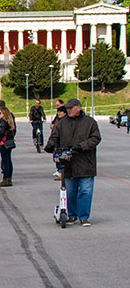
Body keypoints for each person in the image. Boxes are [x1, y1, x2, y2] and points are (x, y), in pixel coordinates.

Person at [44, 97, 101, 226]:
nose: (68, 110)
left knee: (86, 190)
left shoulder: (90, 122)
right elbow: (55, 137)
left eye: (70, 108)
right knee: (69, 191)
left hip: (86, 162)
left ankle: (84, 216)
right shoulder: (62, 123)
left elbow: (96, 138)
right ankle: (71, 215)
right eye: (67, 108)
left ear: (78, 108)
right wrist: (50, 145)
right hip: (68, 163)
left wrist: (82, 146)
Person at [50, 104, 68, 179]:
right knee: (56, 157)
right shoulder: (57, 118)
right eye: (58, 112)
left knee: (63, 157)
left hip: (64, 142)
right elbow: (52, 124)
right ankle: (60, 171)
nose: (59, 113)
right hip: (56, 141)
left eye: (61, 112)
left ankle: (62, 173)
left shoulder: (67, 121)